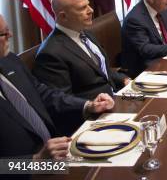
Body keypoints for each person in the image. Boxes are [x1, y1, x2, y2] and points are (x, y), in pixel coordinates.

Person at [0, 14, 115, 158]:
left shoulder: (9, 61)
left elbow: (43, 94)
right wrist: (35, 161)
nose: (10, 35)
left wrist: (88, 105)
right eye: (3, 34)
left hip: (59, 151)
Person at [33, 0, 129, 100]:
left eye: (88, 5)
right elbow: (61, 99)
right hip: (95, 111)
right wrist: (91, 106)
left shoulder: (85, 34)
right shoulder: (50, 53)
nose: (91, 10)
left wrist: (124, 80)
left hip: (116, 96)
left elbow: (101, 70)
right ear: (63, 16)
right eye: (82, 8)